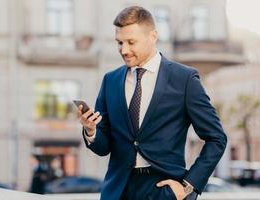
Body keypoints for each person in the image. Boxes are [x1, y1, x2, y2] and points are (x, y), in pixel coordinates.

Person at [77, 6, 227, 200]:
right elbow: (103, 147)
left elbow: (217, 138)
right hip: (117, 191)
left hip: (163, 190)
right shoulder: (110, 81)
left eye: (131, 42)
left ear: (153, 36)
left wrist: (188, 186)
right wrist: (91, 131)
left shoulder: (184, 79)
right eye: (119, 42)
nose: (124, 50)